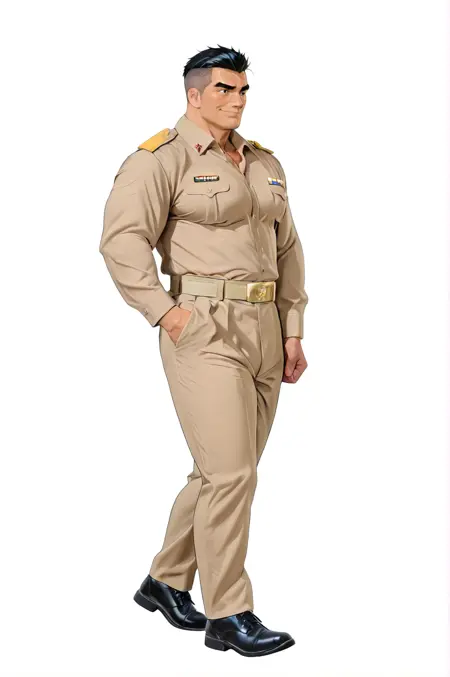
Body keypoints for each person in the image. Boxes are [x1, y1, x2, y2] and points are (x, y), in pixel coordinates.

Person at [99, 44, 308, 658]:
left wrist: (293, 327)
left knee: (221, 472)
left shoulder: (264, 162)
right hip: (203, 328)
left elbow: (289, 247)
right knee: (231, 474)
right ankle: (228, 613)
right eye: (224, 89)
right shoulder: (159, 160)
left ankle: (165, 581)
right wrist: (167, 314)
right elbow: (121, 242)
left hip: (265, 328)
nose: (237, 101)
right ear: (194, 94)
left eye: (242, 90)